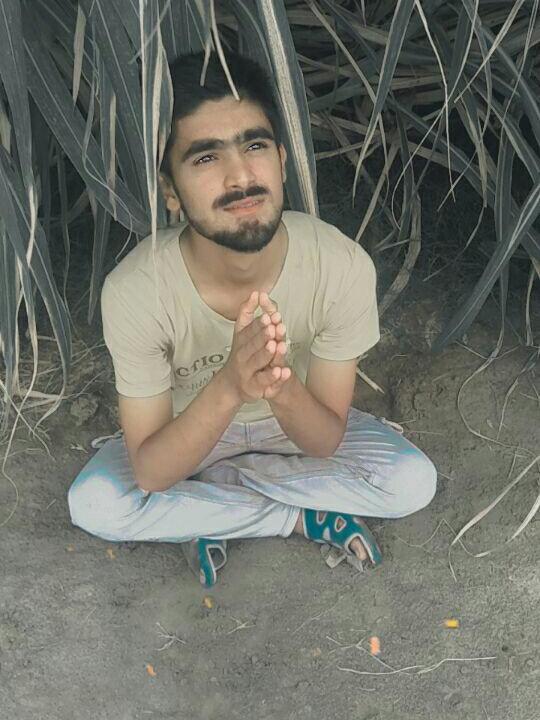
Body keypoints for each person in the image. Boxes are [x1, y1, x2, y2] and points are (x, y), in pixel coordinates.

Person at [67, 50, 437, 587]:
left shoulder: (340, 266)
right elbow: (151, 469)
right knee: (96, 504)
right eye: (205, 158)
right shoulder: (136, 291)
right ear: (170, 191)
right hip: (188, 430)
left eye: (255, 146)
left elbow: (323, 442)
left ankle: (209, 507)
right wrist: (231, 385)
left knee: (411, 482)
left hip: (294, 428)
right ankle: (298, 517)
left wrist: (278, 386)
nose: (240, 176)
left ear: (282, 161)